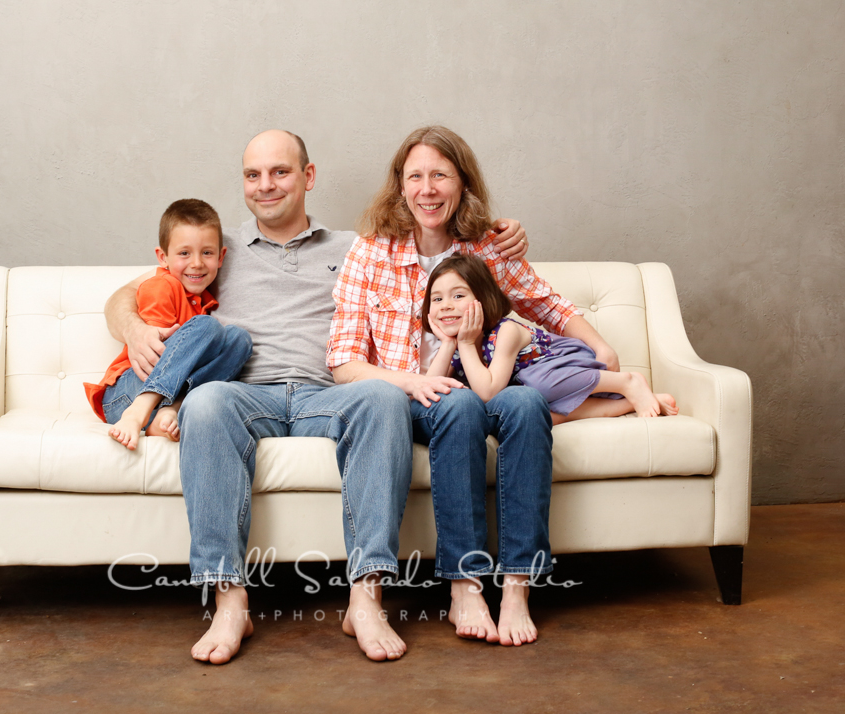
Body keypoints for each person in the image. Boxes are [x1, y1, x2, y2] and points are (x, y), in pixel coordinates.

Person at [103, 129, 531, 664]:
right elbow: (128, 293)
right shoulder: (218, 249)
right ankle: (229, 597)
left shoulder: (354, 247)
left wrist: (500, 233)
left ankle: (366, 593)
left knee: (379, 398)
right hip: (244, 392)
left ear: (307, 177)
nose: (266, 186)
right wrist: (133, 328)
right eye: (253, 175)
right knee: (206, 401)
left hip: (326, 393)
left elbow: (439, 255)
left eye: (280, 172)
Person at [327, 125, 620, 647]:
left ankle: (515, 586)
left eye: (440, 175)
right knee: (459, 405)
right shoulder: (370, 253)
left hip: (487, 382)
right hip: (410, 399)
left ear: (462, 183)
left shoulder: (488, 245)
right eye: (414, 176)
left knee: (527, 401)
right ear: (399, 187)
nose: (427, 189)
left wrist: (601, 348)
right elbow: (344, 362)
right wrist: (413, 382)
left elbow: (544, 303)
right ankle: (465, 584)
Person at [424, 254, 678, 421]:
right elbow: (430, 388)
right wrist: (448, 344)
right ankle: (630, 403)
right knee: (529, 413)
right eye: (437, 299)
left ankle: (627, 382)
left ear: (484, 299)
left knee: (533, 383)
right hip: (546, 394)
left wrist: (466, 344)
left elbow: (488, 391)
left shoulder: (506, 332)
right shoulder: (459, 346)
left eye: (458, 296)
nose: (446, 305)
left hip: (565, 365)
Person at [84, 199, 251, 450]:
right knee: (208, 327)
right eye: (184, 253)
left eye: (207, 252)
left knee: (239, 339)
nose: (196, 263)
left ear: (220, 257)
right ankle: (139, 412)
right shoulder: (162, 286)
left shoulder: (203, 300)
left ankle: (161, 418)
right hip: (126, 394)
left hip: (166, 397)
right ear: (163, 257)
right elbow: (154, 360)